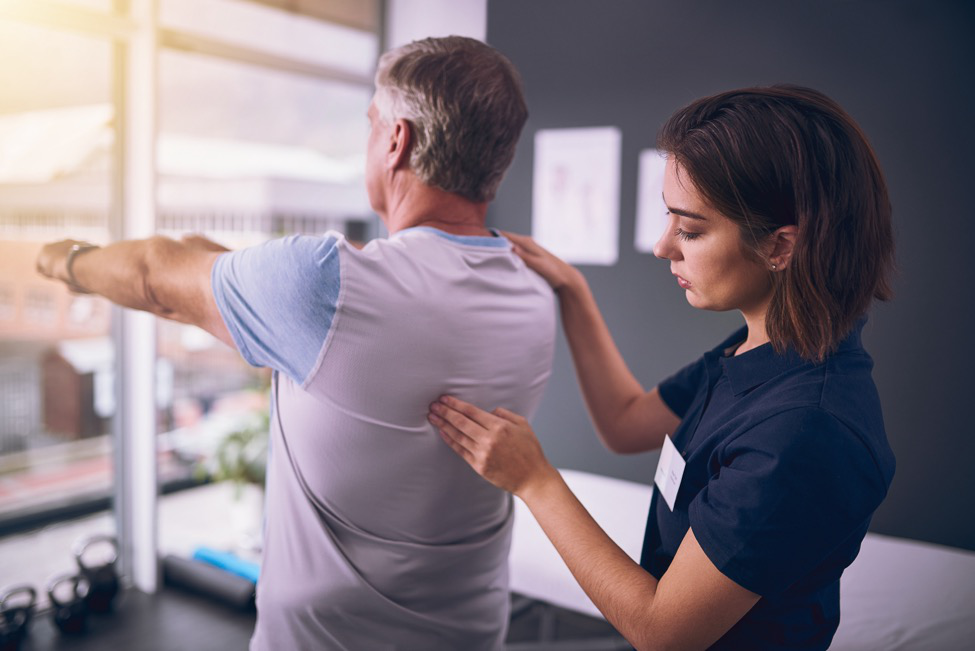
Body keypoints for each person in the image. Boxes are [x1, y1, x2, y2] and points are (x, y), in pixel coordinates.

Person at [37, 36, 555, 650]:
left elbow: (155, 277)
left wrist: (66, 262)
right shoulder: (534, 298)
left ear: (398, 141)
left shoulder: (327, 287)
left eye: (371, 125)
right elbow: (360, 304)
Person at [429, 84, 896, 650]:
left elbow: (662, 631)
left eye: (690, 229)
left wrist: (535, 481)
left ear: (781, 247)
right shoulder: (759, 351)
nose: (660, 246)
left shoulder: (805, 430)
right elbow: (625, 423)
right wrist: (574, 292)